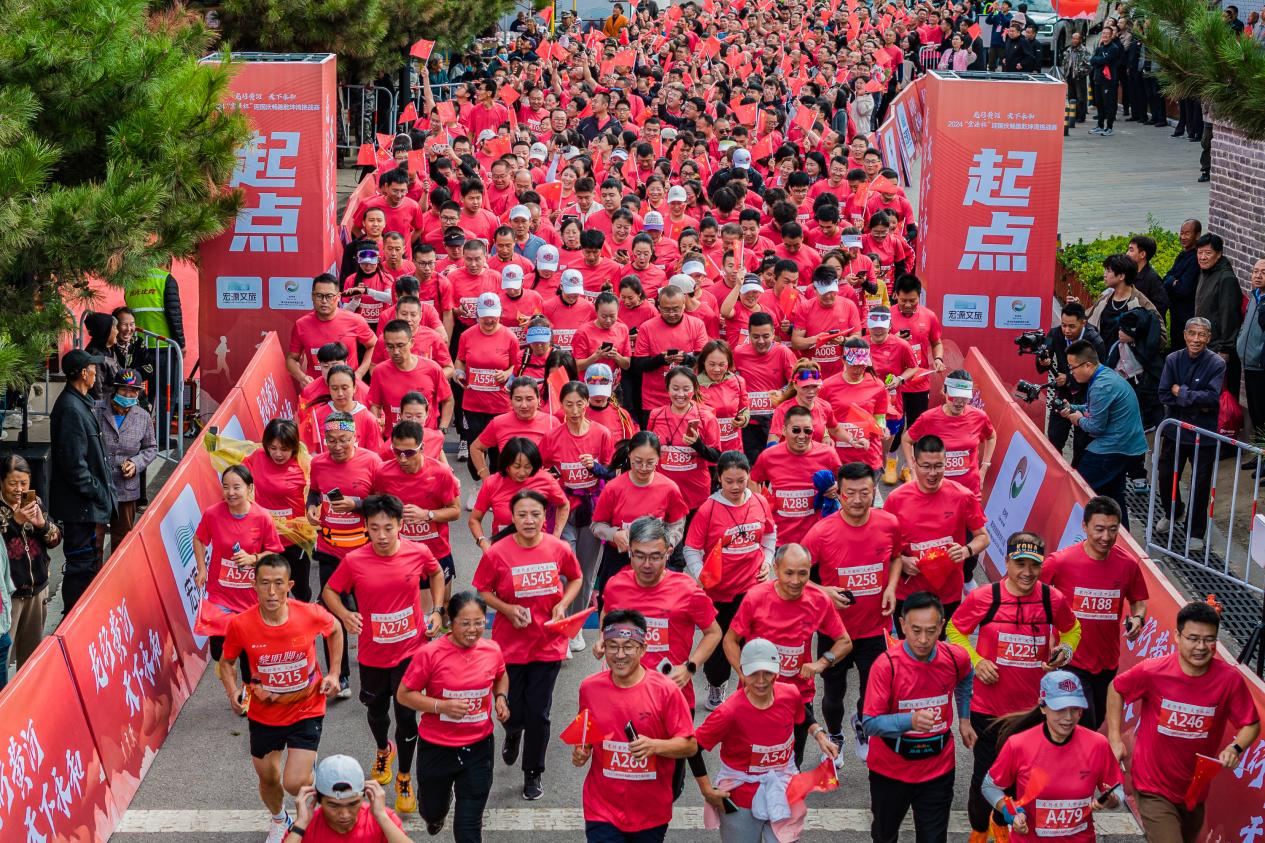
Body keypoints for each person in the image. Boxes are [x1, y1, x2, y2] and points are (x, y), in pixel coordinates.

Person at [947, 533, 1081, 843]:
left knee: (1023, 778)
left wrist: (1065, 652)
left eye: (1033, 565)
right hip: (988, 711)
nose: (1026, 573)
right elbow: (955, 630)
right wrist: (977, 660)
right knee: (986, 777)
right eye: (1019, 564)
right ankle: (979, 832)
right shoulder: (985, 597)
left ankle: (1003, 824)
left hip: (1033, 711)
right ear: (1007, 562)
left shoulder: (1051, 599)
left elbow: (1072, 630)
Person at [323, 494, 444, 815]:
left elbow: (436, 573)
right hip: (372, 655)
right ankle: (382, 749)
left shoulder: (418, 552)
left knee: (406, 717)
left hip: (411, 652)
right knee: (376, 712)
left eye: (388, 528)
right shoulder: (354, 561)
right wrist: (345, 615)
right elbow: (330, 591)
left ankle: (404, 776)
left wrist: (438, 610)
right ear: (366, 528)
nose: (382, 535)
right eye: (374, 528)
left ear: (401, 526)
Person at [1107, 601, 1261, 843]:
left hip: (1194, 792)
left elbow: (1251, 723)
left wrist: (1235, 748)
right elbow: (1116, 689)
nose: (1201, 647)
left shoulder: (1229, 680)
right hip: (1152, 786)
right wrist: (1114, 739)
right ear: (1177, 636)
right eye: (1193, 638)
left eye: (1209, 640)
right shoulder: (1153, 671)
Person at [219, 554, 344, 843]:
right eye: (264, 584)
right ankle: (279, 819)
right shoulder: (241, 624)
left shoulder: (309, 613)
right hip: (264, 714)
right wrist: (233, 691)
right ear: (254, 585)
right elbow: (226, 663)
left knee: (294, 782)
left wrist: (335, 673)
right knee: (269, 778)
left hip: (307, 707)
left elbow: (335, 630)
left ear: (290, 585)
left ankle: (308, 782)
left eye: (278, 584)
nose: (272, 592)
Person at [473, 489, 583, 800]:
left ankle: (533, 772)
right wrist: (506, 609)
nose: (529, 520)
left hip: (547, 644)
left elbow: (575, 578)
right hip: (510, 646)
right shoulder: (497, 552)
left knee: (539, 712)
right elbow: (482, 589)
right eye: (522, 515)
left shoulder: (558, 548)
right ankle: (512, 732)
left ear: (544, 517)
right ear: (512, 517)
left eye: (535, 514)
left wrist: (563, 605)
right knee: (516, 711)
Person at [692, 638, 838, 842]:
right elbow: (693, 748)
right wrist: (707, 791)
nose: (761, 681)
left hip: (783, 787)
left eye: (767, 673)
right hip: (741, 798)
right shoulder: (728, 712)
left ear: (777, 672)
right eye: (753, 674)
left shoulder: (790, 694)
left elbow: (802, 713)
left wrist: (819, 734)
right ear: (742, 671)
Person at [802, 462, 900, 759]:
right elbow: (796, 575)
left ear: (874, 491)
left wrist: (892, 587)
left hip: (876, 628)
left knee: (873, 692)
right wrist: (825, 592)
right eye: (850, 493)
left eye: (865, 493)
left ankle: (861, 722)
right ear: (839, 494)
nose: (858, 500)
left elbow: (896, 558)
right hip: (835, 631)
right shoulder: (821, 532)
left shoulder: (889, 524)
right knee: (833, 695)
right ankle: (835, 736)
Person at [572, 609, 698, 843]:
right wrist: (582, 752)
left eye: (628, 646)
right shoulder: (589, 688)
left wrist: (655, 746)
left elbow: (690, 746)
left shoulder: (665, 690)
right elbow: (587, 734)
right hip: (602, 808)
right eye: (612, 646)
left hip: (650, 812)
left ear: (643, 649)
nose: (620, 654)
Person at [723, 544, 852, 766]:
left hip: (798, 696)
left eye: (803, 573)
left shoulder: (819, 600)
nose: (795, 581)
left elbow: (845, 642)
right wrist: (744, 675)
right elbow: (730, 641)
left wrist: (821, 663)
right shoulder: (756, 597)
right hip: (757, 694)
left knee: (791, 764)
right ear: (775, 568)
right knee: (751, 762)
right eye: (789, 573)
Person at [863, 591, 975, 843]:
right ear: (902, 625)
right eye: (915, 630)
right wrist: (909, 722)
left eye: (931, 631)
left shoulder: (955, 657)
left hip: (938, 768)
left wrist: (964, 719)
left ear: (941, 626)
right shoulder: (886, 665)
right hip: (890, 771)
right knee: (884, 835)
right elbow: (869, 723)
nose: (923, 639)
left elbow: (967, 676)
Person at [397, 592, 509, 841]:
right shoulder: (430, 654)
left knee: (469, 825)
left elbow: (501, 675)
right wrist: (441, 707)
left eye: (479, 622)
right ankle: (436, 812)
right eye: (465, 623)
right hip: (437, 748)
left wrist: (501, 698)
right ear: (451, 622)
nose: (473, 630)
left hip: (479, 747)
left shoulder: (492, 650)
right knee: (431, 810)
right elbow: (404, 694)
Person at [1040, 496, 1148, 730]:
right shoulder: (1061, 562)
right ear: (1085, 526)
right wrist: (1044, 635)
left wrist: (1138, 618)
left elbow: (1139, 600)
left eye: (1112, 530)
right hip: (1070, 660)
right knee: (1081, 722)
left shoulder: (1127, 564)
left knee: (1095, 720)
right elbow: (1031, 593)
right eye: (1099, 529)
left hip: (1108, 663)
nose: (1105, 537)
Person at [601, 515, 722, 722]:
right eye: (639, 555)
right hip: (626, 693)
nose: (646, 564)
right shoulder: (616, 585)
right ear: (629, 551)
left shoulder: (687, 589)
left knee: (675, 753)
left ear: (668, 553)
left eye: (655, 556)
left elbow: (714, 632)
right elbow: (607, 615)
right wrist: (603, 640)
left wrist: (690, 667)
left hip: (674, 694)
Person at [982, 671, 1124, 843]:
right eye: (1060, 709)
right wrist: (1011, 813)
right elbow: (990, 786)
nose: (1069, 717)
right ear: (1043, 706)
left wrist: (1112, 801)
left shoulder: (1097, 744)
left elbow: (1117, 791)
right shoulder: (1018, 744)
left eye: (1075, 709)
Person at [682, 452, 776, 710]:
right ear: (719, 479)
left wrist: (767, 562)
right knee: (719, 647)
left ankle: (751, 689)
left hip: (752, 590)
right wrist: (702, 575)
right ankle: (716, 683)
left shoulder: (759, 501)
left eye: (741, 480)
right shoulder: (708, 509)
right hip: (719, 593)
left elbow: (769, 534)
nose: (735, 487)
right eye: (729, 481)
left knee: (753, 641)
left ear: (749, 478)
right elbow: (690, 548)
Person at [306, 410, 381, 693]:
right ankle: (341, 675)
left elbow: (386, 501)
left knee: (366, 611)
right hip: (330, 548)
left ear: (356, 437)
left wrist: (358, 505)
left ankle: (372, 667)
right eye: (331, 440)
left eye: (344, 440)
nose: (337, 446)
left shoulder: (372, 461)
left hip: (363, 551)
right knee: (331, 613)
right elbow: (315, 492)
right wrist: (311, 508)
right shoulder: (319, 463)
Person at [196, 463, 285, 697]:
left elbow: (274, 552)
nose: (231, 493)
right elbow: (199, 539)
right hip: (220, 594)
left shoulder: (262, 517)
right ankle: (231, 673)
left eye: (237, 487)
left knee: (248, 649)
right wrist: (201, 568)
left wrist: (253, 558)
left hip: (249, 596)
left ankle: (247, 692)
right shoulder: (213, 514)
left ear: (250, 489)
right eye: (226, 487)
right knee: (219, 651)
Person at [541, 380, 615, 646]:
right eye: (568, 404)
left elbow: (611, 471)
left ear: (587, 403)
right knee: (564, 567)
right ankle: (561, 623)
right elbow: (542, 471)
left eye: (579, 404)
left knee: (585, 570)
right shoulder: (552, 437)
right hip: (562, 508)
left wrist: (595, 467)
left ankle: (577, 626)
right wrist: (555, 475)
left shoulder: (602, 433)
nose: (574, 410)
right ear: (561, 405)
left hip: (592, 508)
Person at [884, 435, 990, 618]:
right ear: (914, 464)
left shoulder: (963, 496)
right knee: (906, 646)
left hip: (947, 594)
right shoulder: (896, 499)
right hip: (908, 592)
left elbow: (983, 537)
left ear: (945, 463)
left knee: (939, 645)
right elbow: (884, 544)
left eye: (938, 466)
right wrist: (902, 561)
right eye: (926, 466)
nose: (932, 473)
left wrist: (966, 551)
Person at [49, 348, 116, 613]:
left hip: (85, 505)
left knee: (87, 563)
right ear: (82, 374)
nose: (96, 373)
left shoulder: (79, 402)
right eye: (93, 368)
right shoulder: (71, 409)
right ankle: (74, 615)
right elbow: (74, 466)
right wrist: (98, 492)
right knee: (79, 565)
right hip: (80, 507)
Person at [1155, 317, 1226, 553]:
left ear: (1209, 338)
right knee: (1165, 475)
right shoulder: (1173, 359)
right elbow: (1165, 393)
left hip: (1203, 435)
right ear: (1185, 335)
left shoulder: (1216, 363)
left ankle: (1196, 532)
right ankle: (1173, 512)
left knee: (1201, 483)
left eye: (1202, 335)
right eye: (1192, 334)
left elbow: (1212, 399)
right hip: (1175, 431)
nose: (1196, 339)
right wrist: (1195, 399)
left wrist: (1182, 393)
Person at [1059, 340, 1148, 528]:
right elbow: (1094, 408)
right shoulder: (1104, 375)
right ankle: (1125, 542)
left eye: (1073, 367)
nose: (1071, 372)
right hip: (1125, 446)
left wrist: (1077, 419)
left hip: (1113, 449)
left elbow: (1096, 427)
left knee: (1078, 490)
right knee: (1113, 497)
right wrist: (1073, 408)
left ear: (1088, 365)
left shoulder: (1101, 386)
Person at [590, 431, 689, 595]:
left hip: (654, 560)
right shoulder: (614, 488)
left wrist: (668, 543)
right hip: (619, 558)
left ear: (659, 458)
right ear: (629, 456)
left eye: (650, 463)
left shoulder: (669, 488)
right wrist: (614, 534)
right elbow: (596, 525)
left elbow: (677, 523)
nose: (643, 468)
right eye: (638, 462)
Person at [373, 420, 462, 589]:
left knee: (442, 604)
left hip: (437, 551)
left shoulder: (441, 472)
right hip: (400, 552)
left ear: (422, 448)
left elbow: (456, 511)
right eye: (397, 451)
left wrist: (426, 515)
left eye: (409, 452)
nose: (402, 458)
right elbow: (378, 507)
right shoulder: (383, 472)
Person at [243, 419, 314, 602]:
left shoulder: (304, 465)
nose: (278, 454)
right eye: (273, 448)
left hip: (294, 540)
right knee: (274, 591)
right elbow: (240, 480)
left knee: (300, 590)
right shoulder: (257, 457)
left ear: (294, 447)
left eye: (284, 449)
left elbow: (318, 492)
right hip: (265, 539)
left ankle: (306, 623)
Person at [0, 455, 58, 670]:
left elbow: (55, 539)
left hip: (37, 590)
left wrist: (42, 525)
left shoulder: (34, 502)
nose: (18, 489)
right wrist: (16, 522)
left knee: (31, 658)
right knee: (3, 658)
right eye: (13, 483)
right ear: (1, 482)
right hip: (9, 597)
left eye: (23, 483)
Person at [94, 368, 157, 555]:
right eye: (124, 390)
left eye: (133, 391)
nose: (128, 395)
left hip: (126, 487)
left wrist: (136, 463)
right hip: (99, 485)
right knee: (94, 541)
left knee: (122, 541)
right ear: (115, 389)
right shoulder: (96, 410)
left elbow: (151, 448)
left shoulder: (143, 417)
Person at [454, 292, 520, 469]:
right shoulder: (466, 335)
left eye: (494, 317)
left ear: (499, 314)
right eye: (485, 318)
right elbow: (460, 359)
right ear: (477, 315)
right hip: (473, 405)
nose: (490, 321)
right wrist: (459, 373)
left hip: (500, 405)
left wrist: (507, 374)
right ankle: (481, 481)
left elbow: (517, 366)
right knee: (475, 459)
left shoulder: (510, 337)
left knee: (498, 458)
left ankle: (493, 489)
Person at [1036, 302, 1105, 467]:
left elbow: (1100, 374)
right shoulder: (1054, 333)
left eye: (1071, 326)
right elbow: (1041, 359)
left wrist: (1069, 378)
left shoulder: (1095, 341)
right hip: (1063, 394)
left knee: (1081, 445)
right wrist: (1042, 361)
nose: (1066, 330)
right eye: (1063, 325)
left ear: (1083, 322)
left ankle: (1076, 479)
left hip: (1086, 396)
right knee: (1054, 437)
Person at [125, 264, 186, 450]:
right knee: (167, 395)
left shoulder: (130, 281)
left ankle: (141, 438)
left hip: (140, 347)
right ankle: (160, 439)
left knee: (144, 395)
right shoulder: (165, 279)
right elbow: (174, 315)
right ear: (166, 261)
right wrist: (181, 344)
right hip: (165, 347)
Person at [468, 437, 569, 545]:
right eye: (517, 466)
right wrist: (483, 542)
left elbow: (564, 505)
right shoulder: (492, 483)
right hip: (503, 549)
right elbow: (474, 519)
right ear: (507, 464)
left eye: (527, 467)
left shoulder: (545, 479)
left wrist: (556, 536)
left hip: (538, 550)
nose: (522, 472)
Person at [287, 755, 411, 843]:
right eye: (334, 805)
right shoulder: (304, 827)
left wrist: (382, 817)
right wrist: (300, 824)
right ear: (317, 799)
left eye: (353, 804)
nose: (345, 814)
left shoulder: (382, 819)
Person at [287, 274, 376, 387]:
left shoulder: (355, 320)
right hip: (316, 389)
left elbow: (374, 345)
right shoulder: (301, 325)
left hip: (347, 388)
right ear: (312, 296)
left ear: (338, 297)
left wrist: (359, 373)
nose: (324, 301)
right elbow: (291, 359)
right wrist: (302, 377)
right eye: (319, 295)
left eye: (329, 296)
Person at [732, 312, 797, 464]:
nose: (761, 341)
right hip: (750, 424)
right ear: (749, 334)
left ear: (774, 334)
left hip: (775, 423)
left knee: (776, 465)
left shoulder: (783, 352)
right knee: (753, 468)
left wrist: (781, 393)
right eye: (755, 337)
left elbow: (796, 382)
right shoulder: (738, 353)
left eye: (766, 336)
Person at [1193, 232, 1244, 397]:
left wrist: (1225, 349)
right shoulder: (1205, 272)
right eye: (1200, 253)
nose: (1202, 257)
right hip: (1206, 344)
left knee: (1222, 396)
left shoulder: (1226, 278)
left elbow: (1229, 316)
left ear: (1219, 254)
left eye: (1208, 253)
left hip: (1220, 349)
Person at [1164, 220, 1203, 354]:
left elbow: (1184, 288)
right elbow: (1167, 278)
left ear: (1197, 235)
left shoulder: (1194, 259)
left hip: (1186, 314)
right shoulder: (1182, 255)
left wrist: (1173, 281)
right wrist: (1172, 281)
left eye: (1187, 234)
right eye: (1181, 233)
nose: (1183, 237)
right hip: (1175, 313)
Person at [1238, 258, 1265, 442]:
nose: (1258, 276)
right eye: (1255, 271)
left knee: (1262, 414)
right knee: (1255, 413)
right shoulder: (1255, 296)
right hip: (1248, 363)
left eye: (1263, 272)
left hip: (1261, 365)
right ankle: (1258, 454)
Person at [1089, 25, 1122, 136]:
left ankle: (1109, 127)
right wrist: (1099, 60)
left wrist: (1098, 60)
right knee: (1100, 104)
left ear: (1111, 35)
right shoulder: (1100, 47)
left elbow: (1105, 60)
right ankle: (1100, 125)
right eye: (1103, 34)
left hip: (1109, 81)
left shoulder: (1114, 48)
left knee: (1109, 104)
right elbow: (1092, 60)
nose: (1105, 36)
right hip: (1098, 79)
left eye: (1107, 34)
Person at [1061, 30, 1091, 124]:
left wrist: (1081, 73)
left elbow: (1089, 65)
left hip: (1079, 77)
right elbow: (1064, 63)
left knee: (1080, 98)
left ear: (1080, 39)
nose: (1074, 40)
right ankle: (1072, 115)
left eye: (1076, 38)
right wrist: (1065, 74)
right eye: (1073, 38)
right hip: (1070, 76)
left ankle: (1080, 116)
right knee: (1071, 97)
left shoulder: (1084, 50)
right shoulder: (1068, 50)